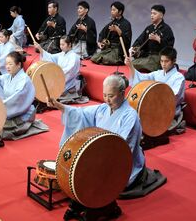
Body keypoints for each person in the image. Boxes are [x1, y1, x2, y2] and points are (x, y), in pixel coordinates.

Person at [47, 74, 166, 221]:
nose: (107, 100)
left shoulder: (130, 116)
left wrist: (97, 161)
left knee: (90, 174)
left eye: (111, 96)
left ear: (122, 93)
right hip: (101, 156)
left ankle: (94, 204)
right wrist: (58, 105)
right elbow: (80, 113)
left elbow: (121, 148)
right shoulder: (103, 108)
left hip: (121, 164)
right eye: (104, 95)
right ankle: (79, 201)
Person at [0, 51, 49, 140]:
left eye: (10, 64)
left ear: (18, 65)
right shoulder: (7, 76)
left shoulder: (24, 81)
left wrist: (0, 104)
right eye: (6, 64)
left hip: (22, 113)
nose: (7, 67)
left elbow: (16, 98)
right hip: (9, 109)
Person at [125, 47, 186, 134]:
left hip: (169, 110)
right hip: (154, 107)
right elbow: (142, 78)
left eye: (166, 61)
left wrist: (155, 100)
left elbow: (172, 97)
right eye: (161, 61)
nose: (163, 64)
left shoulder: (179, 77)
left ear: (174, 61)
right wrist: (131, 66)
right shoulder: (158, 73)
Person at [34, 35, 88, 104]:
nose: (61, 46)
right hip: (60, 79)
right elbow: (50, 58)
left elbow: (69, 71)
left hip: (69, 83)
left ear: (69, 44)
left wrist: (55, 75)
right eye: (60, 44)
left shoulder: (74, 57)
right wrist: (40, 49)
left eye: (63, 44)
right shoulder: (61, 54)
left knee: (50, 93)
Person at [129, 4, 174, 72]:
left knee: (146, 65)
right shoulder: (149, 28)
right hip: (147, 56)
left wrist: (159, 40)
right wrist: (133, 47)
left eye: (154, 13)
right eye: (151, 13)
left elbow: (170, 48)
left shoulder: (166, 29)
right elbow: (140, 40)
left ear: (161, 16)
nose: (151, 15)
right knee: (132, 63)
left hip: (158, 57)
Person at [91, 1, 132, 65]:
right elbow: (102, 33)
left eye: (114, 10)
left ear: (120, 12)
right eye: (111, 10)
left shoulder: (126, 24)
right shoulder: (112, 22)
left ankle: (118, 60)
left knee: (106, 59)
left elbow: (127, 40)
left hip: (118, 49)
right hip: (109, 48)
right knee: (94, 57)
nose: (111, 11)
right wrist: (100, 42)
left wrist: (119, 31)